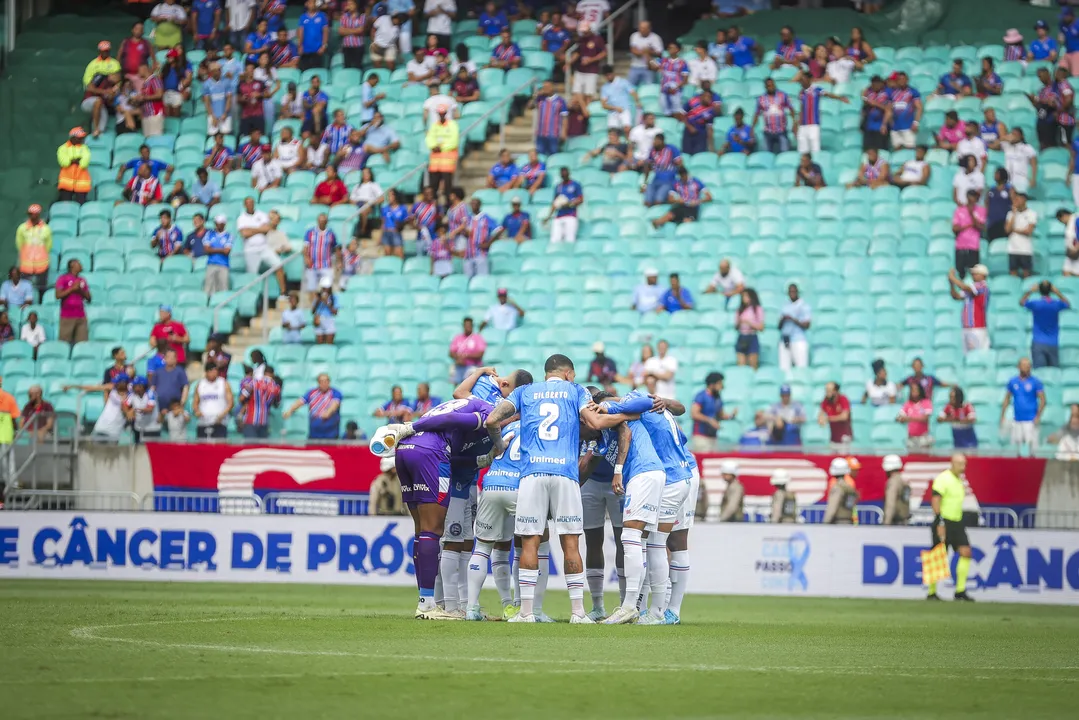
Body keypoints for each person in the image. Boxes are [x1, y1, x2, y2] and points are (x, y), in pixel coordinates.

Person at [928, 454, 974, 601]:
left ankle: (960, 590)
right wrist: (939, 519)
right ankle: (932, 592)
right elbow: (936, 499)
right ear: (952, 463)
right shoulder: (943, 478)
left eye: (964, 464)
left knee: (965, 551)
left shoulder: (959, 480)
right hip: (944, 520)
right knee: (938, 556)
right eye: (960, 464)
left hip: (957, 521)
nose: (963, 467)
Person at [1021, 282, 1070, 369]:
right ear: (1050, 291)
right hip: (1053, 343)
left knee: (1040, 372)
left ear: (1039, 291)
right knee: (1054, 374)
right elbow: (1067, 304)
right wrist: (1057, 292)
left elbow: (1022, 302)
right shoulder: (1056, 304)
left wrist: (1030, 291)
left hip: (1038, 343)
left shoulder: (1036, 304)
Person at [1001, 358, 1046, 452]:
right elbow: (1007, 398)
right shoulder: (1013, 382)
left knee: (1032, 448)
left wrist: (1038, 416)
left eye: (1028, 365)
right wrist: (1003, 415)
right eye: (1024, 365)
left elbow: (1043, 400)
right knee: (1016, 447)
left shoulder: (1035, 382)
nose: (1027, 367)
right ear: (1019, 367)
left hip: (1031, 419)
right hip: (1017, 419)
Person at [283, 373, 342, 440]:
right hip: (314, 432)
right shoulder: (311, 393)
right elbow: (300, 402)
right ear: (318, 383)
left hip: (331, 433)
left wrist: (328, 412)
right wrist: (290, 410)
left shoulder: (336, 393)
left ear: (329, 382)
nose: (324, 383)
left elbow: (335, 404)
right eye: (321, 381)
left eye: (326, 381)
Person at [948, 264, 991, 352]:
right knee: (968, 356)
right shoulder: (972, 287)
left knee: (978, 354)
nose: (973, 275)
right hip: (966, 326)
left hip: (977, 327)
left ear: (983, 275)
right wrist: (951, 284)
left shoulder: (982, 286)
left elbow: (964, 287)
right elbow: (956, 296)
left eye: (976, 273)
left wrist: (953, 277)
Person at [752, 78, 796, 153]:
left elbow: (791, 109)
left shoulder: (783, 95)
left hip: (781, 130)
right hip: (768, 132)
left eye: (772, 85)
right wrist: (752, 128)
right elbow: (757, 114)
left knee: (784, 152)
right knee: (766, 154)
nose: (771, 87)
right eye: (769, 86)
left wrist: (794, 122)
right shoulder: (761, 99)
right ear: (765, 87)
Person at [190, 362, 232, 439]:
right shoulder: (200, 384)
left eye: (215, 371)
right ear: (206, 372)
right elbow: (195, 403)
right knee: (202, 448)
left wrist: (221, 415)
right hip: (204, 422)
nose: (214, 373)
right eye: (211, 371)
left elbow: (230, 403)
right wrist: (198, 412)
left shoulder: (223, 383)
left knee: (220, 448)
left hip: (219, 422)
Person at [952, 189, 985, 279]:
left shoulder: (981, 210)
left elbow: (980, 226)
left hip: (973, 247)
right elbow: (955, 228)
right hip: (960, 246)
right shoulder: (959, 210)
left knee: (974, 273)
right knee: (960, 272)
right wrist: (969, 225)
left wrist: (971, 214)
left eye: (974, 197)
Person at [56, 259, 91, 344]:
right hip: (67, 316)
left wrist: (80, 290)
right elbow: (58, 295)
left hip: (81, 316)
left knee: (82, 343)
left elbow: (89, 298)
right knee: (64, 343)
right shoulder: (63, 278)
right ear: (72, 266)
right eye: (79, 264)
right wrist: (72, 289)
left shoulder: (82, 280)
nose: (81, 266)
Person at [778, 283, 811, 370]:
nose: (792, 293)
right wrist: (783, 319)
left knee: (801, 366)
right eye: (790, 292)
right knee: (784, 368)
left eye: (793, 291)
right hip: (785, 339)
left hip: (798, 339)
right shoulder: (785, 306)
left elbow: (807, 325)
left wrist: (793, 319)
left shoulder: (803, 306)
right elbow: (779, 326)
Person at [1005, 192, 1037, 278]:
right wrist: (1014, 214)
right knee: (1013, 273)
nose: (1015, 201)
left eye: (1017, 199)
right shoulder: (1010, 214)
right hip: (1012, 249)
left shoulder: (1031, 214)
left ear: (1024, 200)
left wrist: (1014, 230)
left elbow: (1028, 231)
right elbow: (1007, 230)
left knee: (1026, 274)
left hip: (1025, 249)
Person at [547, 167, 582, 244]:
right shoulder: (558, 187)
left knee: (569, 240)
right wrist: (549, 216)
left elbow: (580, 199)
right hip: (559, 216)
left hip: (570, 215)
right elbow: (554, 203)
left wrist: (569, 203)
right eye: (562, 175)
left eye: (565, 174)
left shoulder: (575, 185)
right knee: (554, 240)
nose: (564, 176)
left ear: (569, 174)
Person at [449, 317, 485, 384]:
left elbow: (480, 353)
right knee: (453, 372)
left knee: (471, 374)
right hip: (459, 365)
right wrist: (458, 357)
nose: (467, 327)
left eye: (469, 326)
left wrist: (466, 356)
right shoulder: (458, 338)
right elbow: (451, 352)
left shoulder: (477, 338)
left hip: (472, 365)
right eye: (466, 326)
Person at [898, 383, 934, 451]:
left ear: (920, 390)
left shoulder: (926, 402)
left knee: (924, 458)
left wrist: (908, 418)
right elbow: (900, 416)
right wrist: (900, 419)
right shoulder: (907, 404)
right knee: (912, 458)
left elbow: (925, 418)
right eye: (912, 389)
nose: (914, 391)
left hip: (923, 437)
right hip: (911, 438)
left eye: (916, 389)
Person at [734, 288, 764, 369]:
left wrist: (749, 323)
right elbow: (736, 327)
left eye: (746, 296)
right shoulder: (740, 310)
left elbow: (761, 327)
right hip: (742, 336)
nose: (744, 298)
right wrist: (739, 322)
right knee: (741, 365)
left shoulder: (757, 309)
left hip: (752, 336)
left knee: (753, 365)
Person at [822, 457, 857, 525]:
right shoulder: (849, 487)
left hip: (838, 523)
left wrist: (825, 523)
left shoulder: (837, 487)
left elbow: (832, 509)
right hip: (849, 521)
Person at [818, 382, 852, 448]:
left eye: (829, 391)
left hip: (844, 437)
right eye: (826, 391)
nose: (827, 393)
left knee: (843, 457)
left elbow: (844, 416)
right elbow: (821, 414)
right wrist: (821, 419)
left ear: (836, 391)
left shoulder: (843, 399)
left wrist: (828, 418)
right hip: (833, 438)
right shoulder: (826, 401)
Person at [1056, 208, 1079, 276]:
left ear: (1064, 216)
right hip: (1071, 252)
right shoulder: (1069, 224)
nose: (1062, 222)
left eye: (1060, 220)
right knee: (1066, 271)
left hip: (1077, 250)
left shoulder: (1077, 220)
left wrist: (1076, 248)